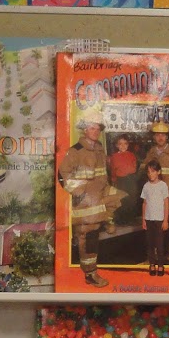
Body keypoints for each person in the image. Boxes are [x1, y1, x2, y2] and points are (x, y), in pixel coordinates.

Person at [57, 108, 111, 286]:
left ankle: (91, 272)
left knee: (93, 238)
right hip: (84, 207)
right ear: (85, 130)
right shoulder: (76, 151)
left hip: (97, 205)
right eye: (92, 128)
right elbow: (62, 175)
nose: (95, 131)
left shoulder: (99, 150)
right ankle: (90, 274)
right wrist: (78, 193)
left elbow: (103, 177)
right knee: (86, 239)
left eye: (98, 128)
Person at [139, 159, 169, 275]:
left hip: (159, 219)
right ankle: (152, 264)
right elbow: (144, 203)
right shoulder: (146, 186)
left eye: (153, 171)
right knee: (150, 244)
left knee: (159, 244)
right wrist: (143, 220)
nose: (150, 174)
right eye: (148, 172)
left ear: (158, 172)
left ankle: (161, 265)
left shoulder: (163, 185)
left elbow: (166, 203)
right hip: (149, 219)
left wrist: (165, 220)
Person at [108, 134, 141, 225]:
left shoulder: (132, 155)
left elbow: (134, 166)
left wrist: (133, 176)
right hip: (121, 180)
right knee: (122, 199)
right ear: (116, 145)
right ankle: (122, 220)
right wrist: (114, 180)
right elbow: (113, 170)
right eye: (120, 144)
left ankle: (131, 218)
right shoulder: (114, 157)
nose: (123, 146)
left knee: (132, 199)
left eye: (125, 143)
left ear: (128, 145)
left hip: (131, 179)